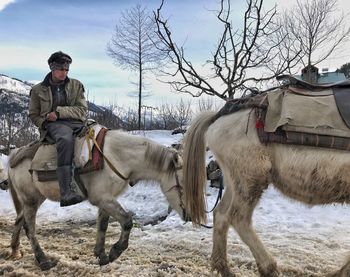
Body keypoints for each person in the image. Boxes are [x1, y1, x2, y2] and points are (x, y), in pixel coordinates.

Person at [29, 51, 87, 206]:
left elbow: (82, 110)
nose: (64, 72)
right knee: (65, 139)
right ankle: (66, 192)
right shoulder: (37, 90)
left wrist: (60, 112)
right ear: (52, 68)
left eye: (67, 69)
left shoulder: (76, 85)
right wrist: (45, 123)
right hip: (53, 125)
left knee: (99, 134)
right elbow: (33, 115)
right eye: (61, 69)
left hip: (76, 121)